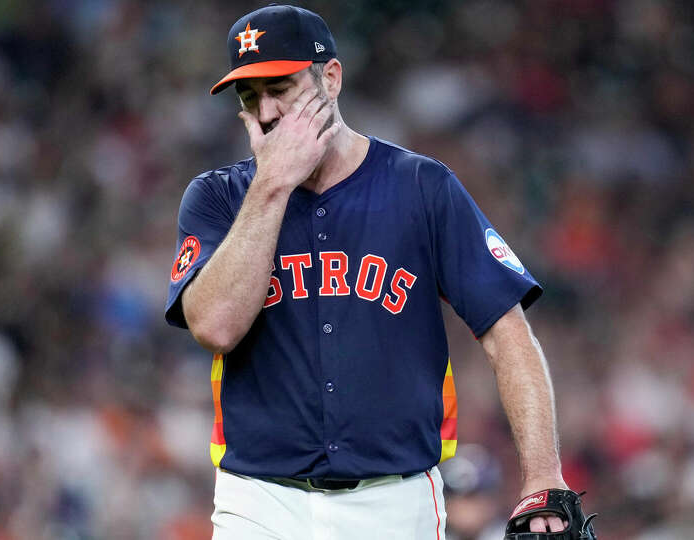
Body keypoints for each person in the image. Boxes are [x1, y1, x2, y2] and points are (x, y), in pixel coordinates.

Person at [166, 5, 573, 539]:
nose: (266, 113)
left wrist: (542, 475)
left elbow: (508, 334)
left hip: (397, 499)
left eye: (281, 88)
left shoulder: (421, 188)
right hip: (259, 499)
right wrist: (272, 186)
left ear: (330, 78)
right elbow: (215, 326)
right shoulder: (219, 197)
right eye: (249, 97)